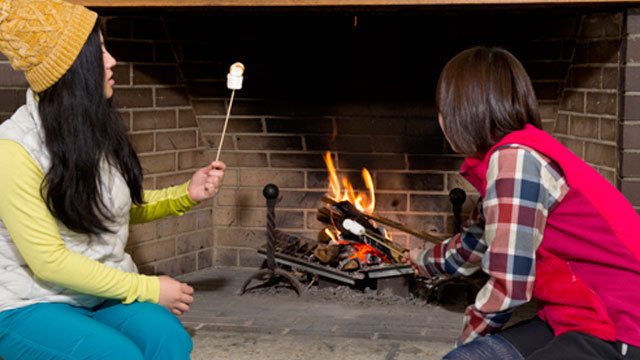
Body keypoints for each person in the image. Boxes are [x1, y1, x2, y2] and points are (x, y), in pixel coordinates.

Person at [0, 0, 226, 359]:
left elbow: (106, 211)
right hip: (29, 301)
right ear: (72, 69)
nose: (111, 61)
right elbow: (48, 262)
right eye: (100, 52)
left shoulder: (91, 131)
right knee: (118, 354)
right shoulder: (13, 149)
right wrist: (149, 289)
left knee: (168, 339)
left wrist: (186, 194)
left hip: (97, 295)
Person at [404, 46, 640, 359]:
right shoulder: (516, 153)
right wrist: (421, 260)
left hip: (619, 326)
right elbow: (474, 243)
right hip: (569, 318)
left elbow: (509, 285)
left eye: (442, 109)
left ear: (460, 111)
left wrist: (465, 342)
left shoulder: (513, 161)